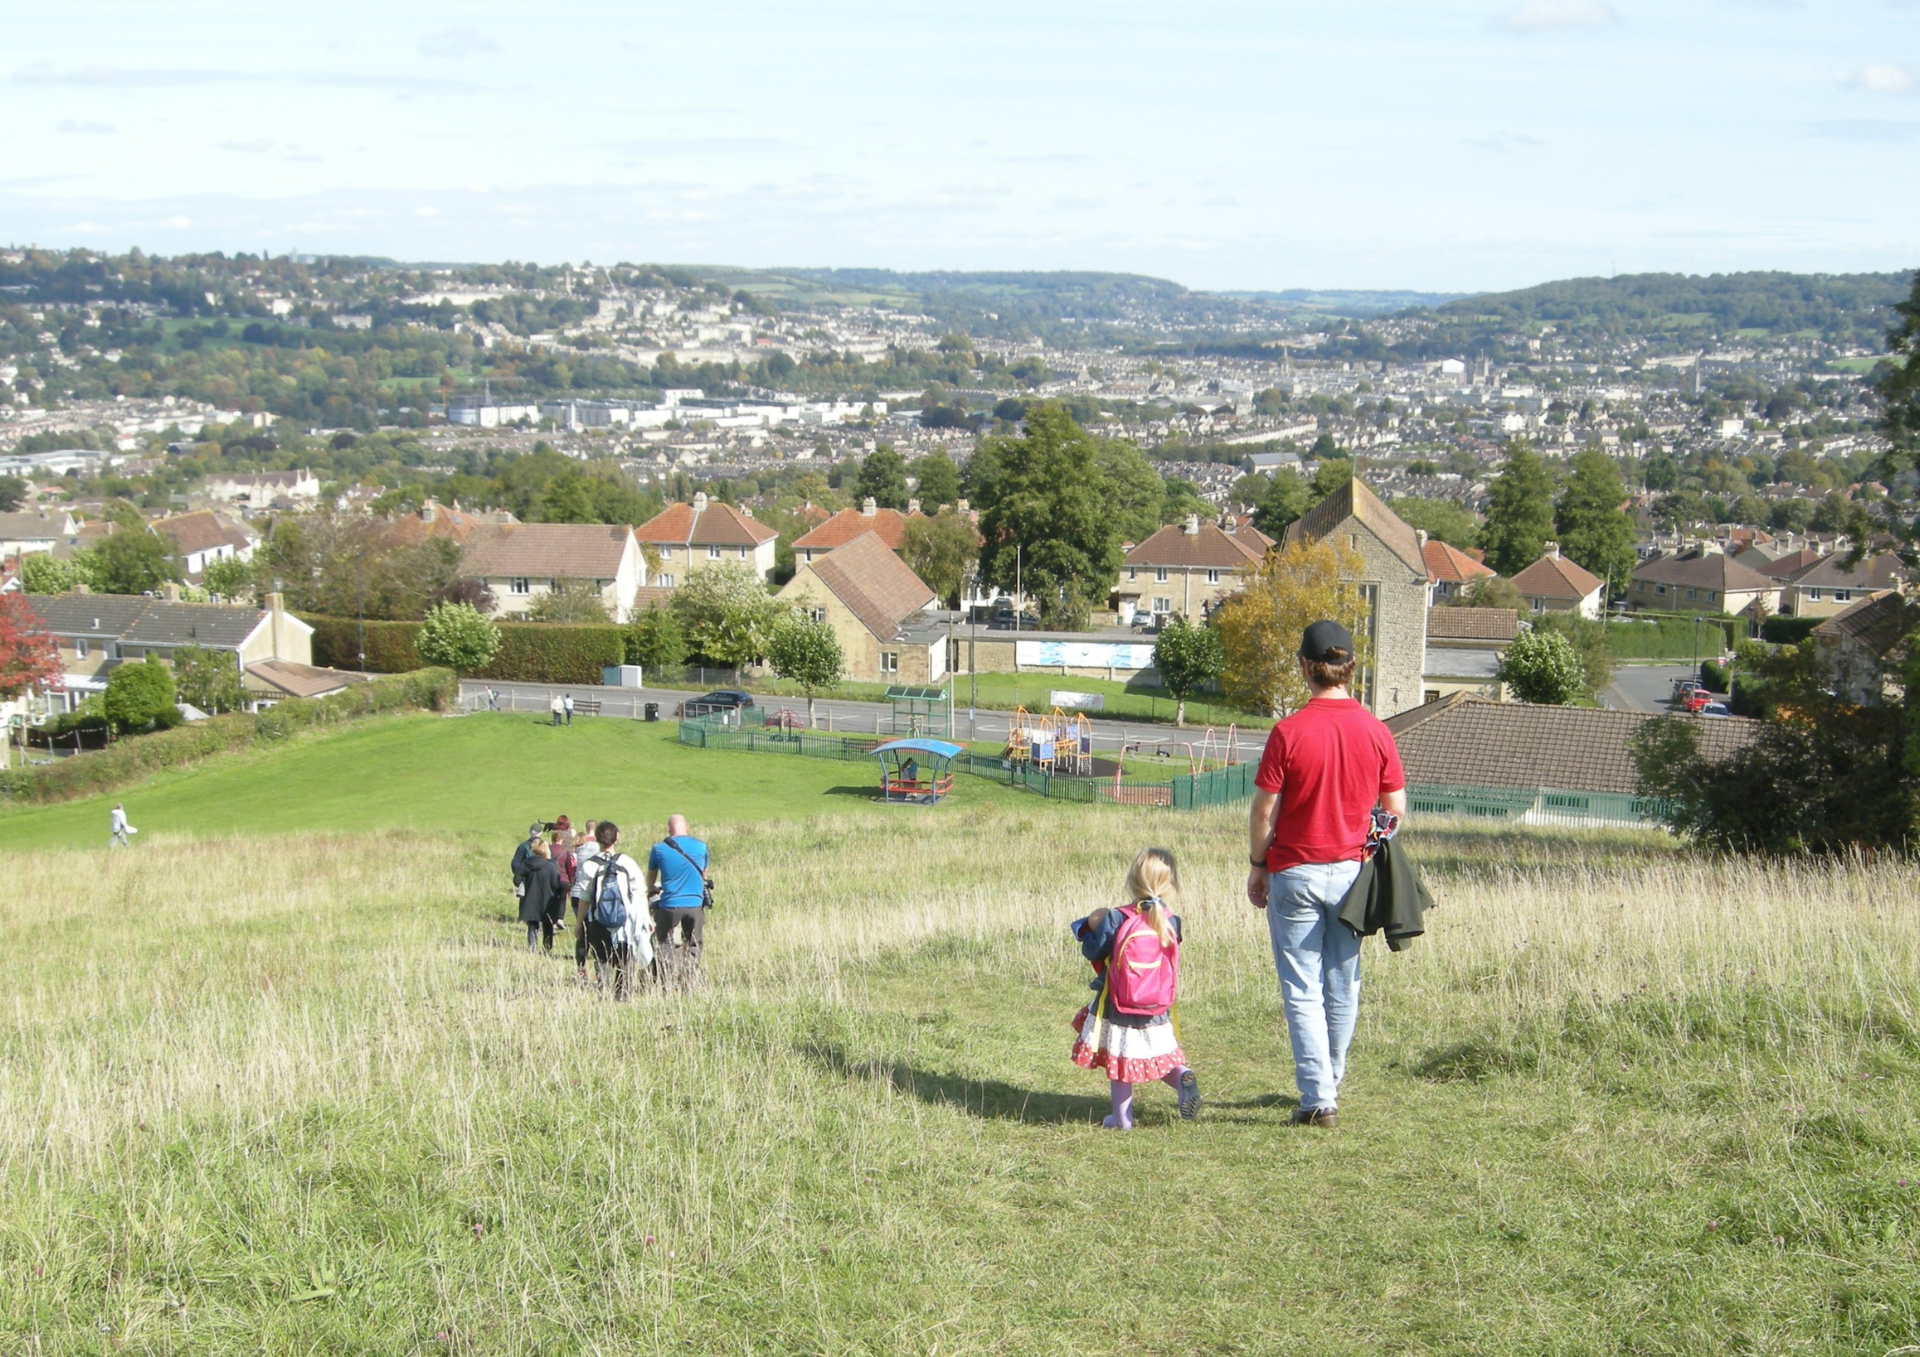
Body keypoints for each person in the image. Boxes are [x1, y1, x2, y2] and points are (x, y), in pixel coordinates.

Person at [1247, 620, 1408, 1130]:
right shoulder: (1377, 731)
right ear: (1349, 669)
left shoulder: (1288, 732)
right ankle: (1328, 1085)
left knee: (1301, 987)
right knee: (1344, 983)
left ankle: (1318, 1097)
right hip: (1353, 875)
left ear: (1304, 668)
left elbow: (1263, 812)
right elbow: (1396, 810)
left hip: (1294, 871)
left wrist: (1257, 866)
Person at [1070, 847, 1199, 1130]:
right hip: (1156, 1005)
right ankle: (1182, 1077)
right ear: (1170, 884)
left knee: (1121, 1060)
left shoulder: (1117, 918)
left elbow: (1093, 951)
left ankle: (1121, 1118)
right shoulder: (1171, 921)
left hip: (1119, 1003)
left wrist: (1093, 926)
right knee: (1157, 1055)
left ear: (1132, 880)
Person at [573, 821, 650, 998]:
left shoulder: (589, 865)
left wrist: (579, 924)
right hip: (625, 920)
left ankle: (603, 990)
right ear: (616, 839)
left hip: (597, 919)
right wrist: (646, 918)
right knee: (625, 958)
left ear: (598, 840)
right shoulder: (627, 862)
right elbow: (640, 892)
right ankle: (623, 993)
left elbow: (584, 898)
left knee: (602, 958)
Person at [646, 814, 710, 987]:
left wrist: (652, 888)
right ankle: (688, 977)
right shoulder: (702, 847)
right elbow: (704, 875)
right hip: (694, 904)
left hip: (669, 904)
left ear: (669, 829)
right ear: (687, 827)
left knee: (665, 942)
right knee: (694, 942)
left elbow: (650, 879)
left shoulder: (659, 849)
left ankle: (667, 981)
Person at [519, 839, 562, 953]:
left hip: (530, 897)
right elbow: (555, 883)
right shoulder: (550, 865)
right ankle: (547, 949)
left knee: (532, 925)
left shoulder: (526, 863)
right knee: (548, 925)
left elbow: (517, 878)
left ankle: (531, 947)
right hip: (547, 898)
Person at [572, 820, 598, 981]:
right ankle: (598, 969)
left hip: (577, 893)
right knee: (596, 932)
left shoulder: (580, 851)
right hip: (593, 894)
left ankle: (581, 969)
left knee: (582, 933)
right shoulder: (598, 851)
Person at [509, 821, 543, 904]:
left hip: (526, 879)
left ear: (530, 832)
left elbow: (515, 864)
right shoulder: (545, 845)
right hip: (541, 879)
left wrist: (519, 876)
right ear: (541, 833)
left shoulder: (523, 846)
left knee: (525, 903)